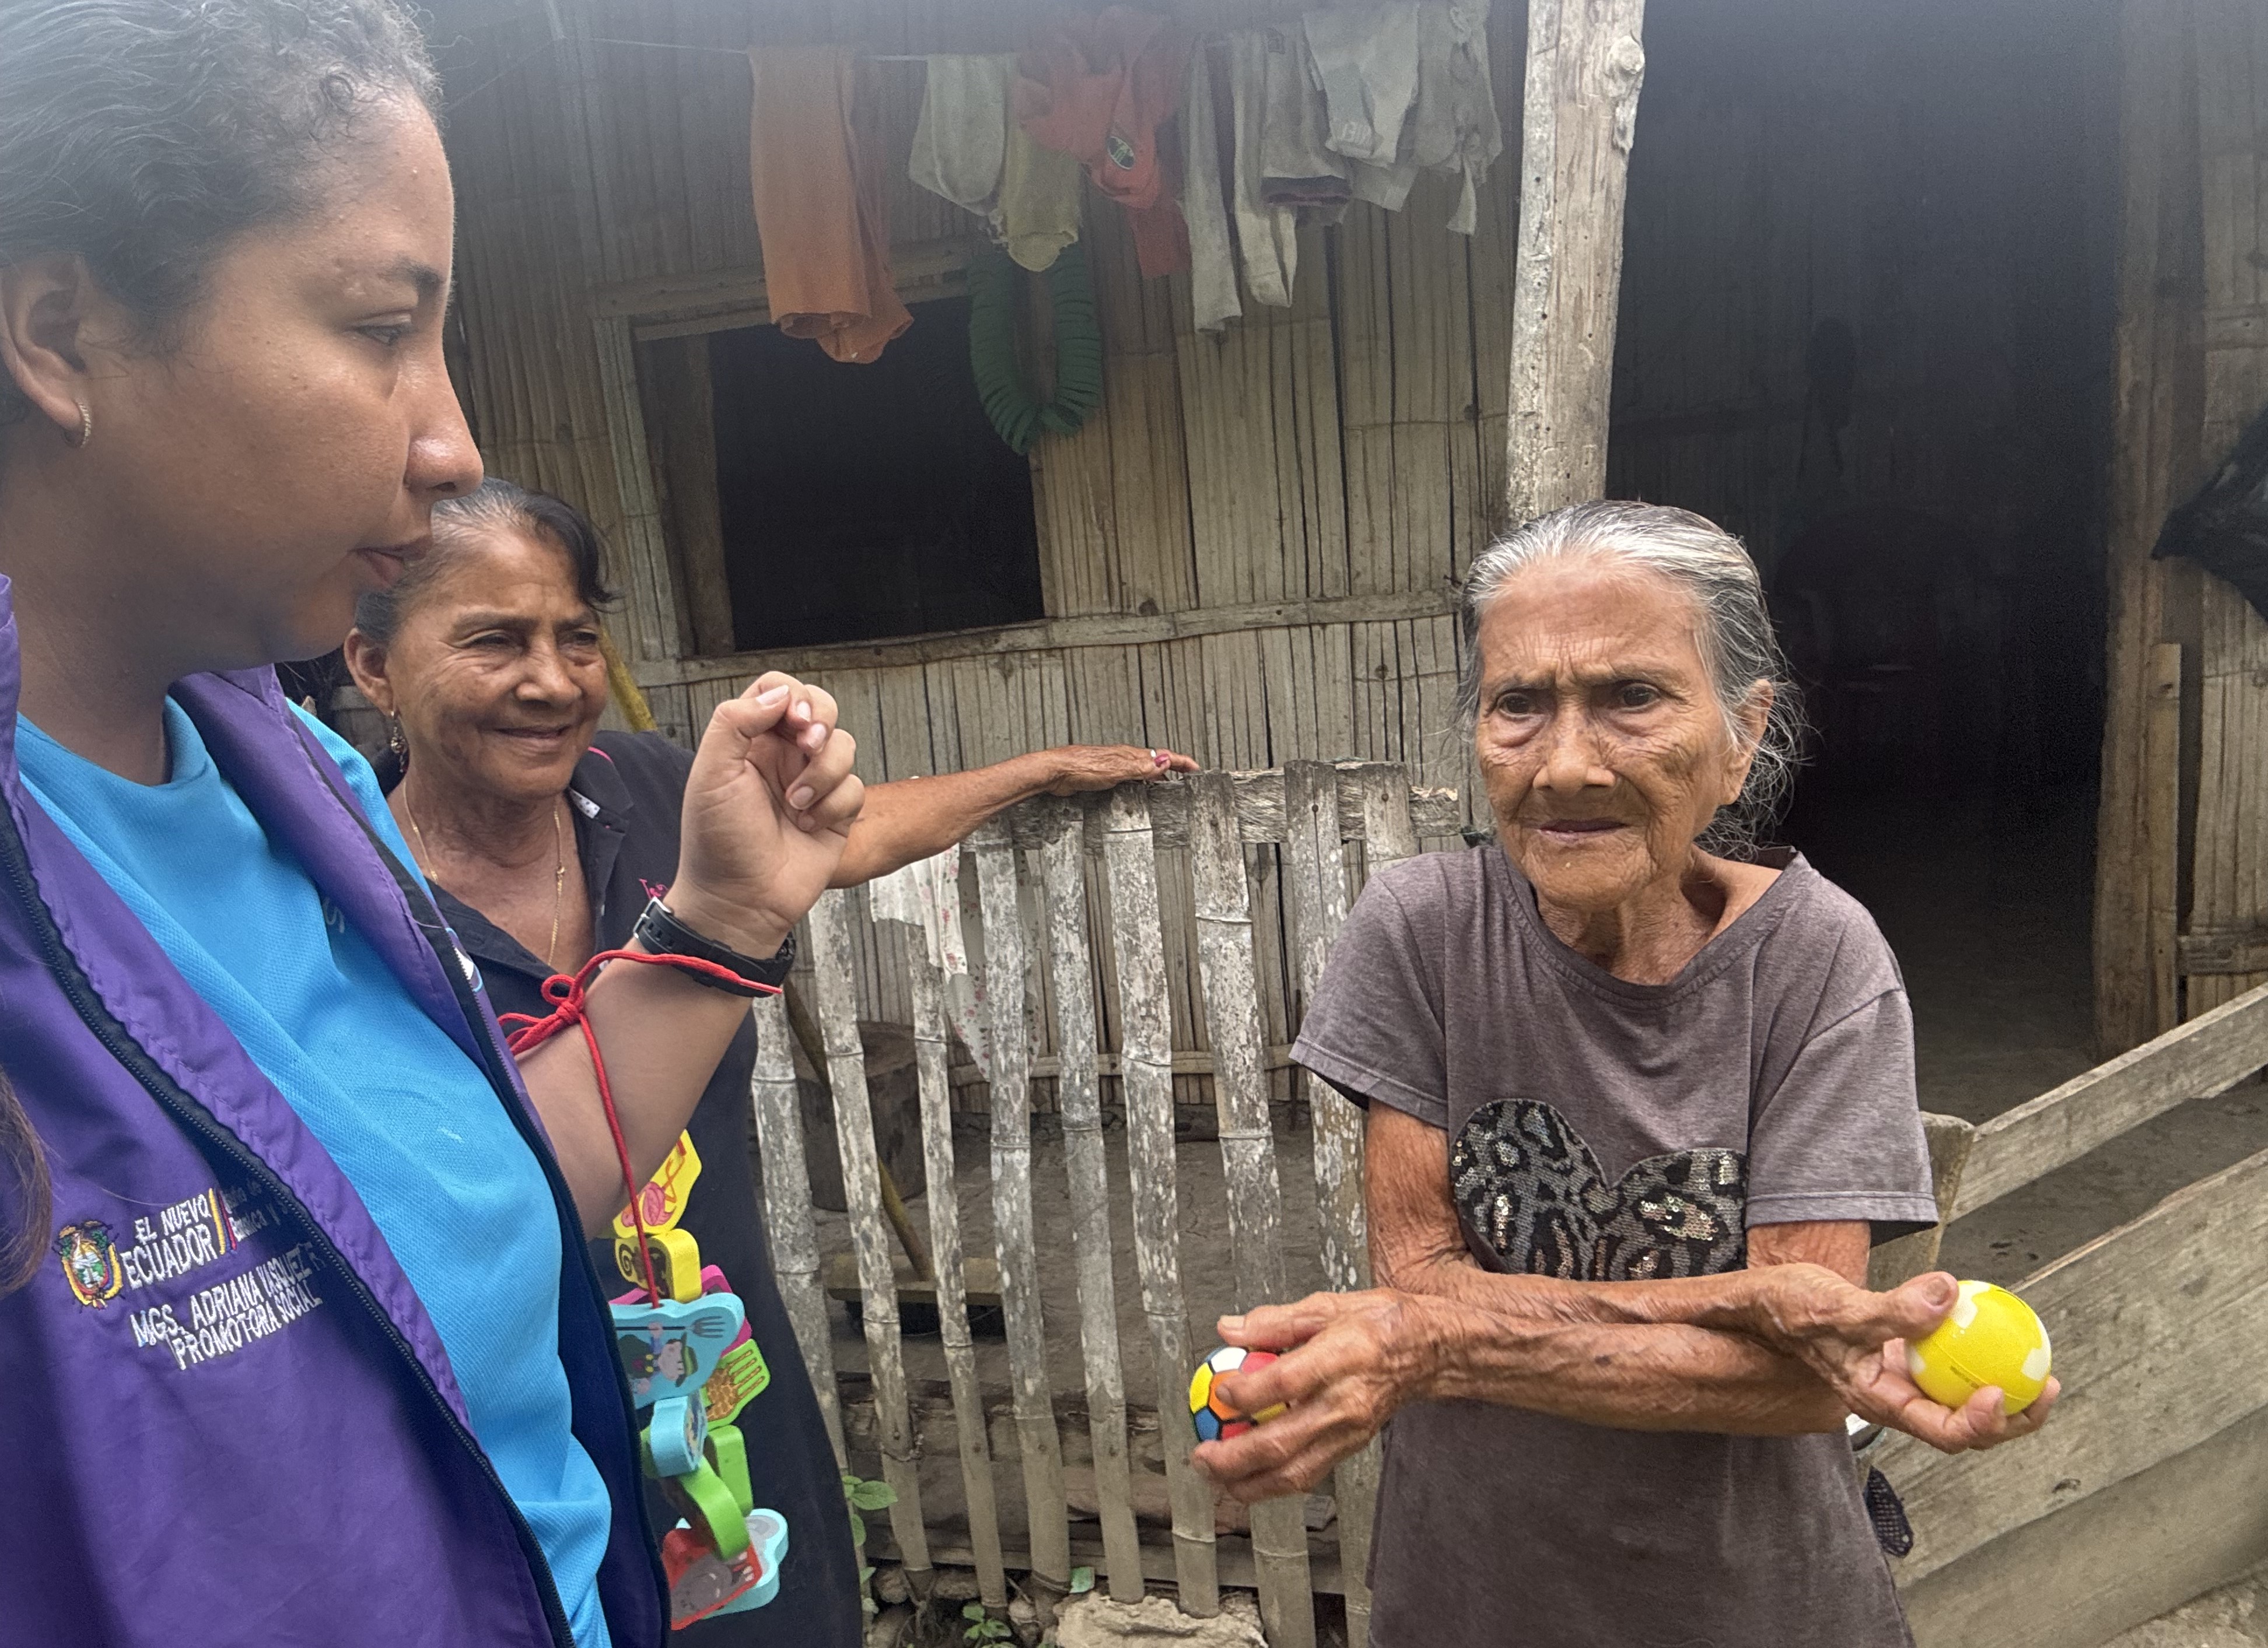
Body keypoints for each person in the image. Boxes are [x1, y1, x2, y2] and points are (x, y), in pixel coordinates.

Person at [0, 4, 864, 1644]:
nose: (452, 442)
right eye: (381, 327)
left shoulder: (297, 789)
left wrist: (723, 921)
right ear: (60, 332)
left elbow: (459, 1198)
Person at [338, 475, 1197, 1645]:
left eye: (576, 638)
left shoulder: (644, 788)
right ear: (375, 666)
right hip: (517, 1427)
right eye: (493, 640)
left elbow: (848, 831)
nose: (551, 679)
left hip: (723, 1387)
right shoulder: (339, 900)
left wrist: (1032, 771)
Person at [1189, 502, 2060, 1647]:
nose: (1564, 764)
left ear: (1743, 735)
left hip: (1746, 1605)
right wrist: (1745, 1300)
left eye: (1632, 696)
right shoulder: (1421, 929)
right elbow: (1424, 1278)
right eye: (1519, 704)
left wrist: (1441, 1346)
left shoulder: (1818, 957)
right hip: (1474, 1593)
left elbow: (1799, 1383)